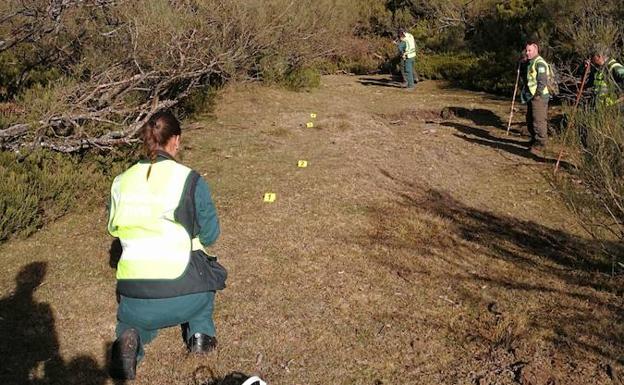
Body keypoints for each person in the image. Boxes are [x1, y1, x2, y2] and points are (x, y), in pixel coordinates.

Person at [107, 111, 225, 380]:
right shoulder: (189, 179)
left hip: (133, 297)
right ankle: (200, 335)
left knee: (132, 322)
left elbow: (113, 227)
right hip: (187, 293)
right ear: (176, 141)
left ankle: (130, 337)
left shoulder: (121, 182)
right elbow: (210, 234)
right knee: (207, 275)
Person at [520, 40, 552, 152]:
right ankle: (534, 139)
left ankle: (541, 142)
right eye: (526, 50)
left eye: (530, 50)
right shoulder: (530, 62)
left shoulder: (540, 63)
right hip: (531, 95)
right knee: (530, 119)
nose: (527, 53)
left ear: (536, 49)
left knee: (539, 120)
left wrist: (537, 95)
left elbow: (542, 82)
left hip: (539, 96)